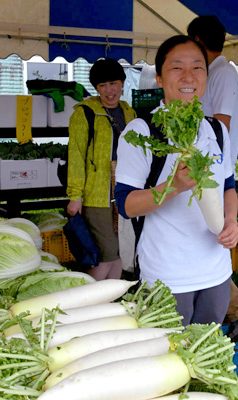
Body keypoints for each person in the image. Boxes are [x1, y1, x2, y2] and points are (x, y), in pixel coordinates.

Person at [114, 35, 238, 326]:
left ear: (206, 77)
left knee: (206, 354)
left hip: (216, 273)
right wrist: (173, 187)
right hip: (167, 275)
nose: (188, 76)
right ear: (159, 78)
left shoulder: (217, 130)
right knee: (169, 359)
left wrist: (231, 221)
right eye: (176, 68)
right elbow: (126, 205)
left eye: (198, 68)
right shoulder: (142, 132)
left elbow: (229, 187)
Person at [187, 15, 238, 342]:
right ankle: (233, 309)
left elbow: (221, 126)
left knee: (209, 246)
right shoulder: (210, 74)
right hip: (200, 174)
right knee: (199, 245)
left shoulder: (223, 74)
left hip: (214, 176)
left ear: (200, 41)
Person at [66, 58, 137, 281]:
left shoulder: (129, 113)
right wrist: (75, 195)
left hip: (123, 191)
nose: (109, 90)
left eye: (113, 83)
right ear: (96, 88)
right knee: (106, 255)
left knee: (117, 254)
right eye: (102, 85)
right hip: (96, 196)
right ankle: (88, 300)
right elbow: (76, 155)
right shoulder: (84, 113)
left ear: (123, 83)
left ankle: (109, 301)